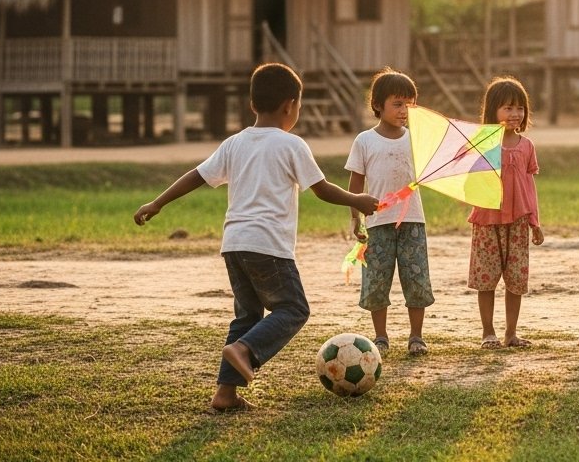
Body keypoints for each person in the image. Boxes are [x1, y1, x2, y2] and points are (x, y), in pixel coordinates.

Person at [133, 63, 378, 411]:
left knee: (247, 318)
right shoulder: (291, 144)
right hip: (268, 247)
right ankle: (244, 351)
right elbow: (321, 189)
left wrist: (158, 202)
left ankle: (225, 394)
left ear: (252, 105)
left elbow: (197, 175)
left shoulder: (234, 143)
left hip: (234, 245)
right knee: (293, 308)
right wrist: (358, 200)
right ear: (290, 106)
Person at [346, 68, 433, 357]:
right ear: (378, 105)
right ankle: (380, 337)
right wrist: (355, 217)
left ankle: (416, 336)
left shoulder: (416, 139)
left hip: (412, 220)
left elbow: (430, 170)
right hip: (377, 222)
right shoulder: (365, 141)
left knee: (416, 278)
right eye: (398, 104)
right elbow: (356, 182)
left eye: (410, 103)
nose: (405, 110)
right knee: (376, 281)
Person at [469, 76, 544, 348]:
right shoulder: (481, 143)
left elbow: (529, 185)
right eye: (507, 108)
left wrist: (535, 220)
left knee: (516, 280)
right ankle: (488, 333)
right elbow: (470, 182)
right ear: (492, 111)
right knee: (485, 279)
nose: (515, 114)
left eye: (519, 108)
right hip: (487, 221)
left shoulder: (527, 146)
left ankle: (511, 333)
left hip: (519, 221)